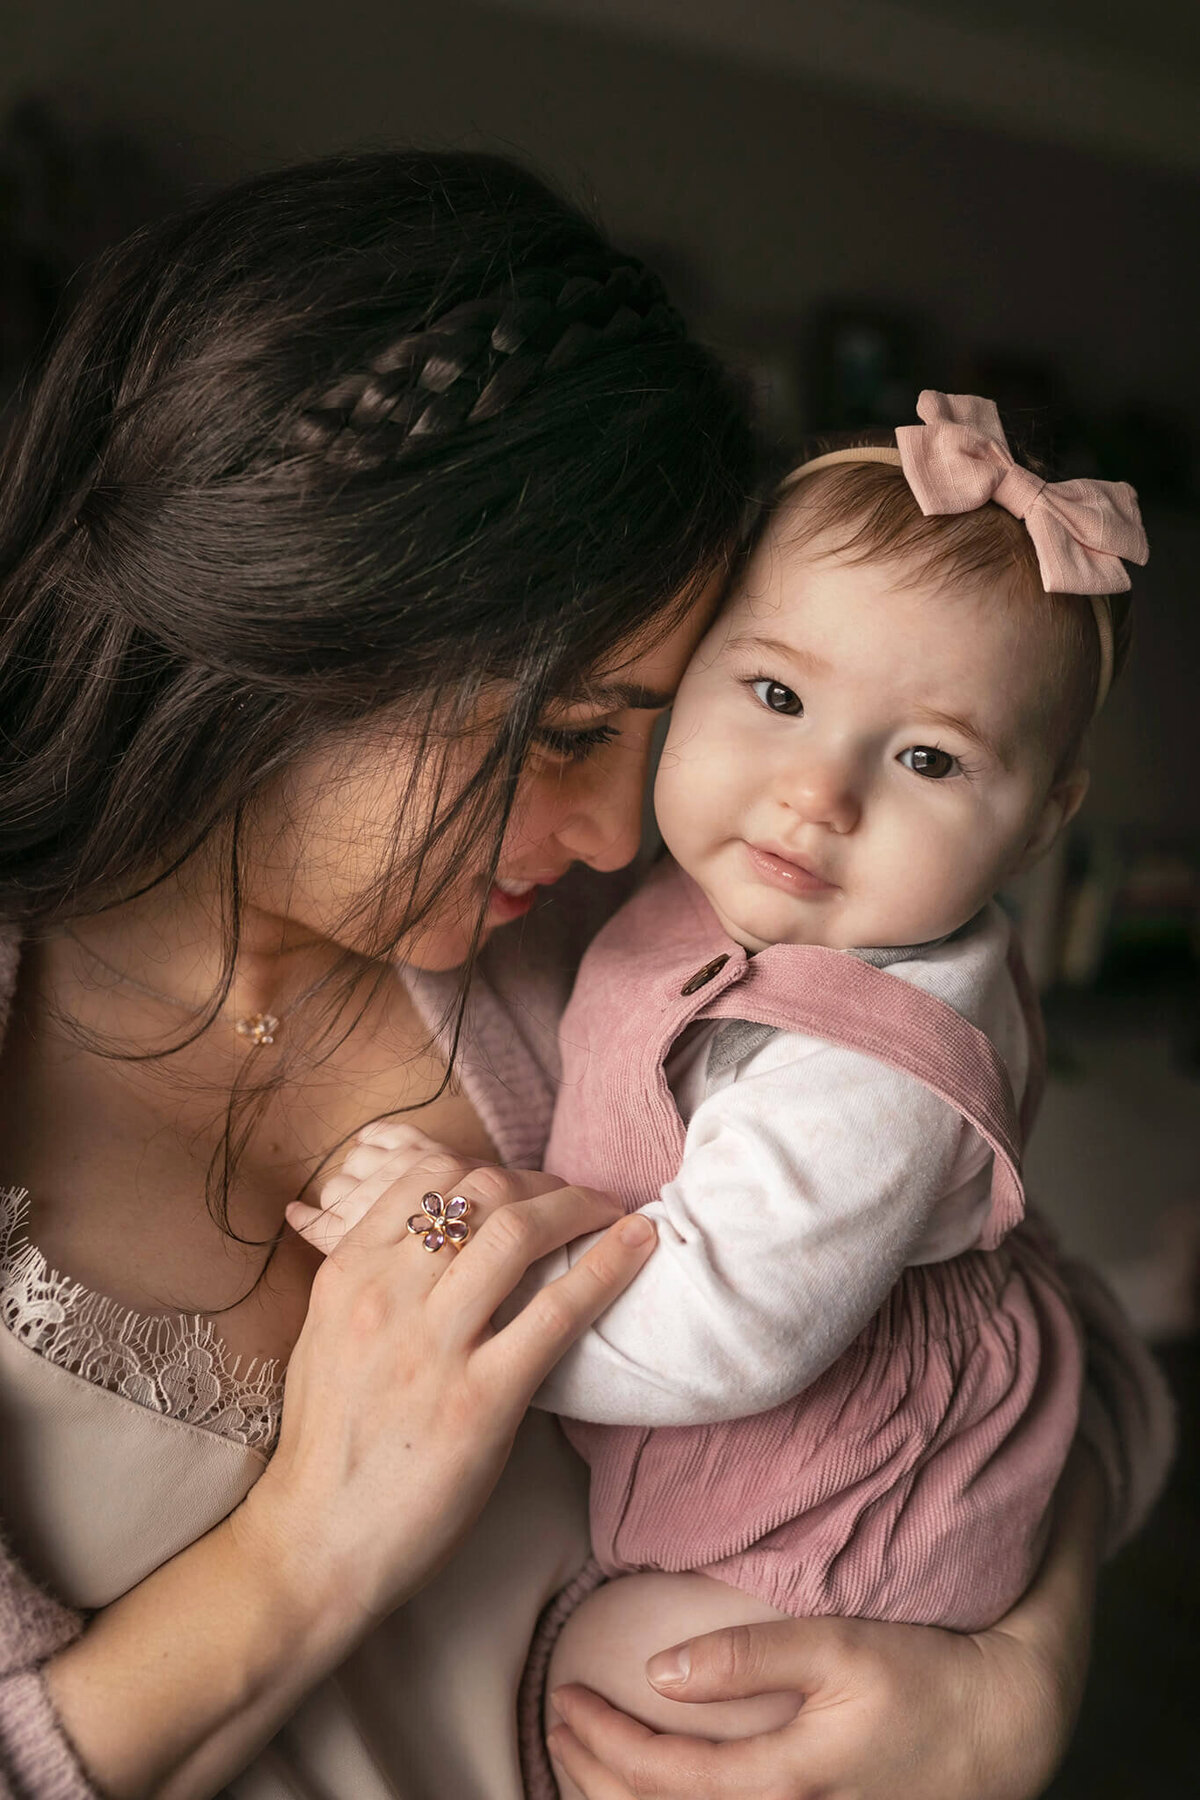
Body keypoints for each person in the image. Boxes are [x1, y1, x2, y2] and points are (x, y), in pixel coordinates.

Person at [0, 144, 1167, 1800]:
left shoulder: (604, 962)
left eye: (663, 720)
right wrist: (314, 1544)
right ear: (303, 620)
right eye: (562, 736)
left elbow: (1062, 1357)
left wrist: (1004, 1694)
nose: (625, 834)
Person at [314, 397, 1174, 1800]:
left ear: (1042, 819)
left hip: (839, 1530)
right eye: (775, 698)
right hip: (753, 1465)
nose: (817, 795)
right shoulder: (679, 892)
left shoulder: (864, 1067)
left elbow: (715, 1333)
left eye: (930, 760)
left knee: (645, 1701)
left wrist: (447, 1268)